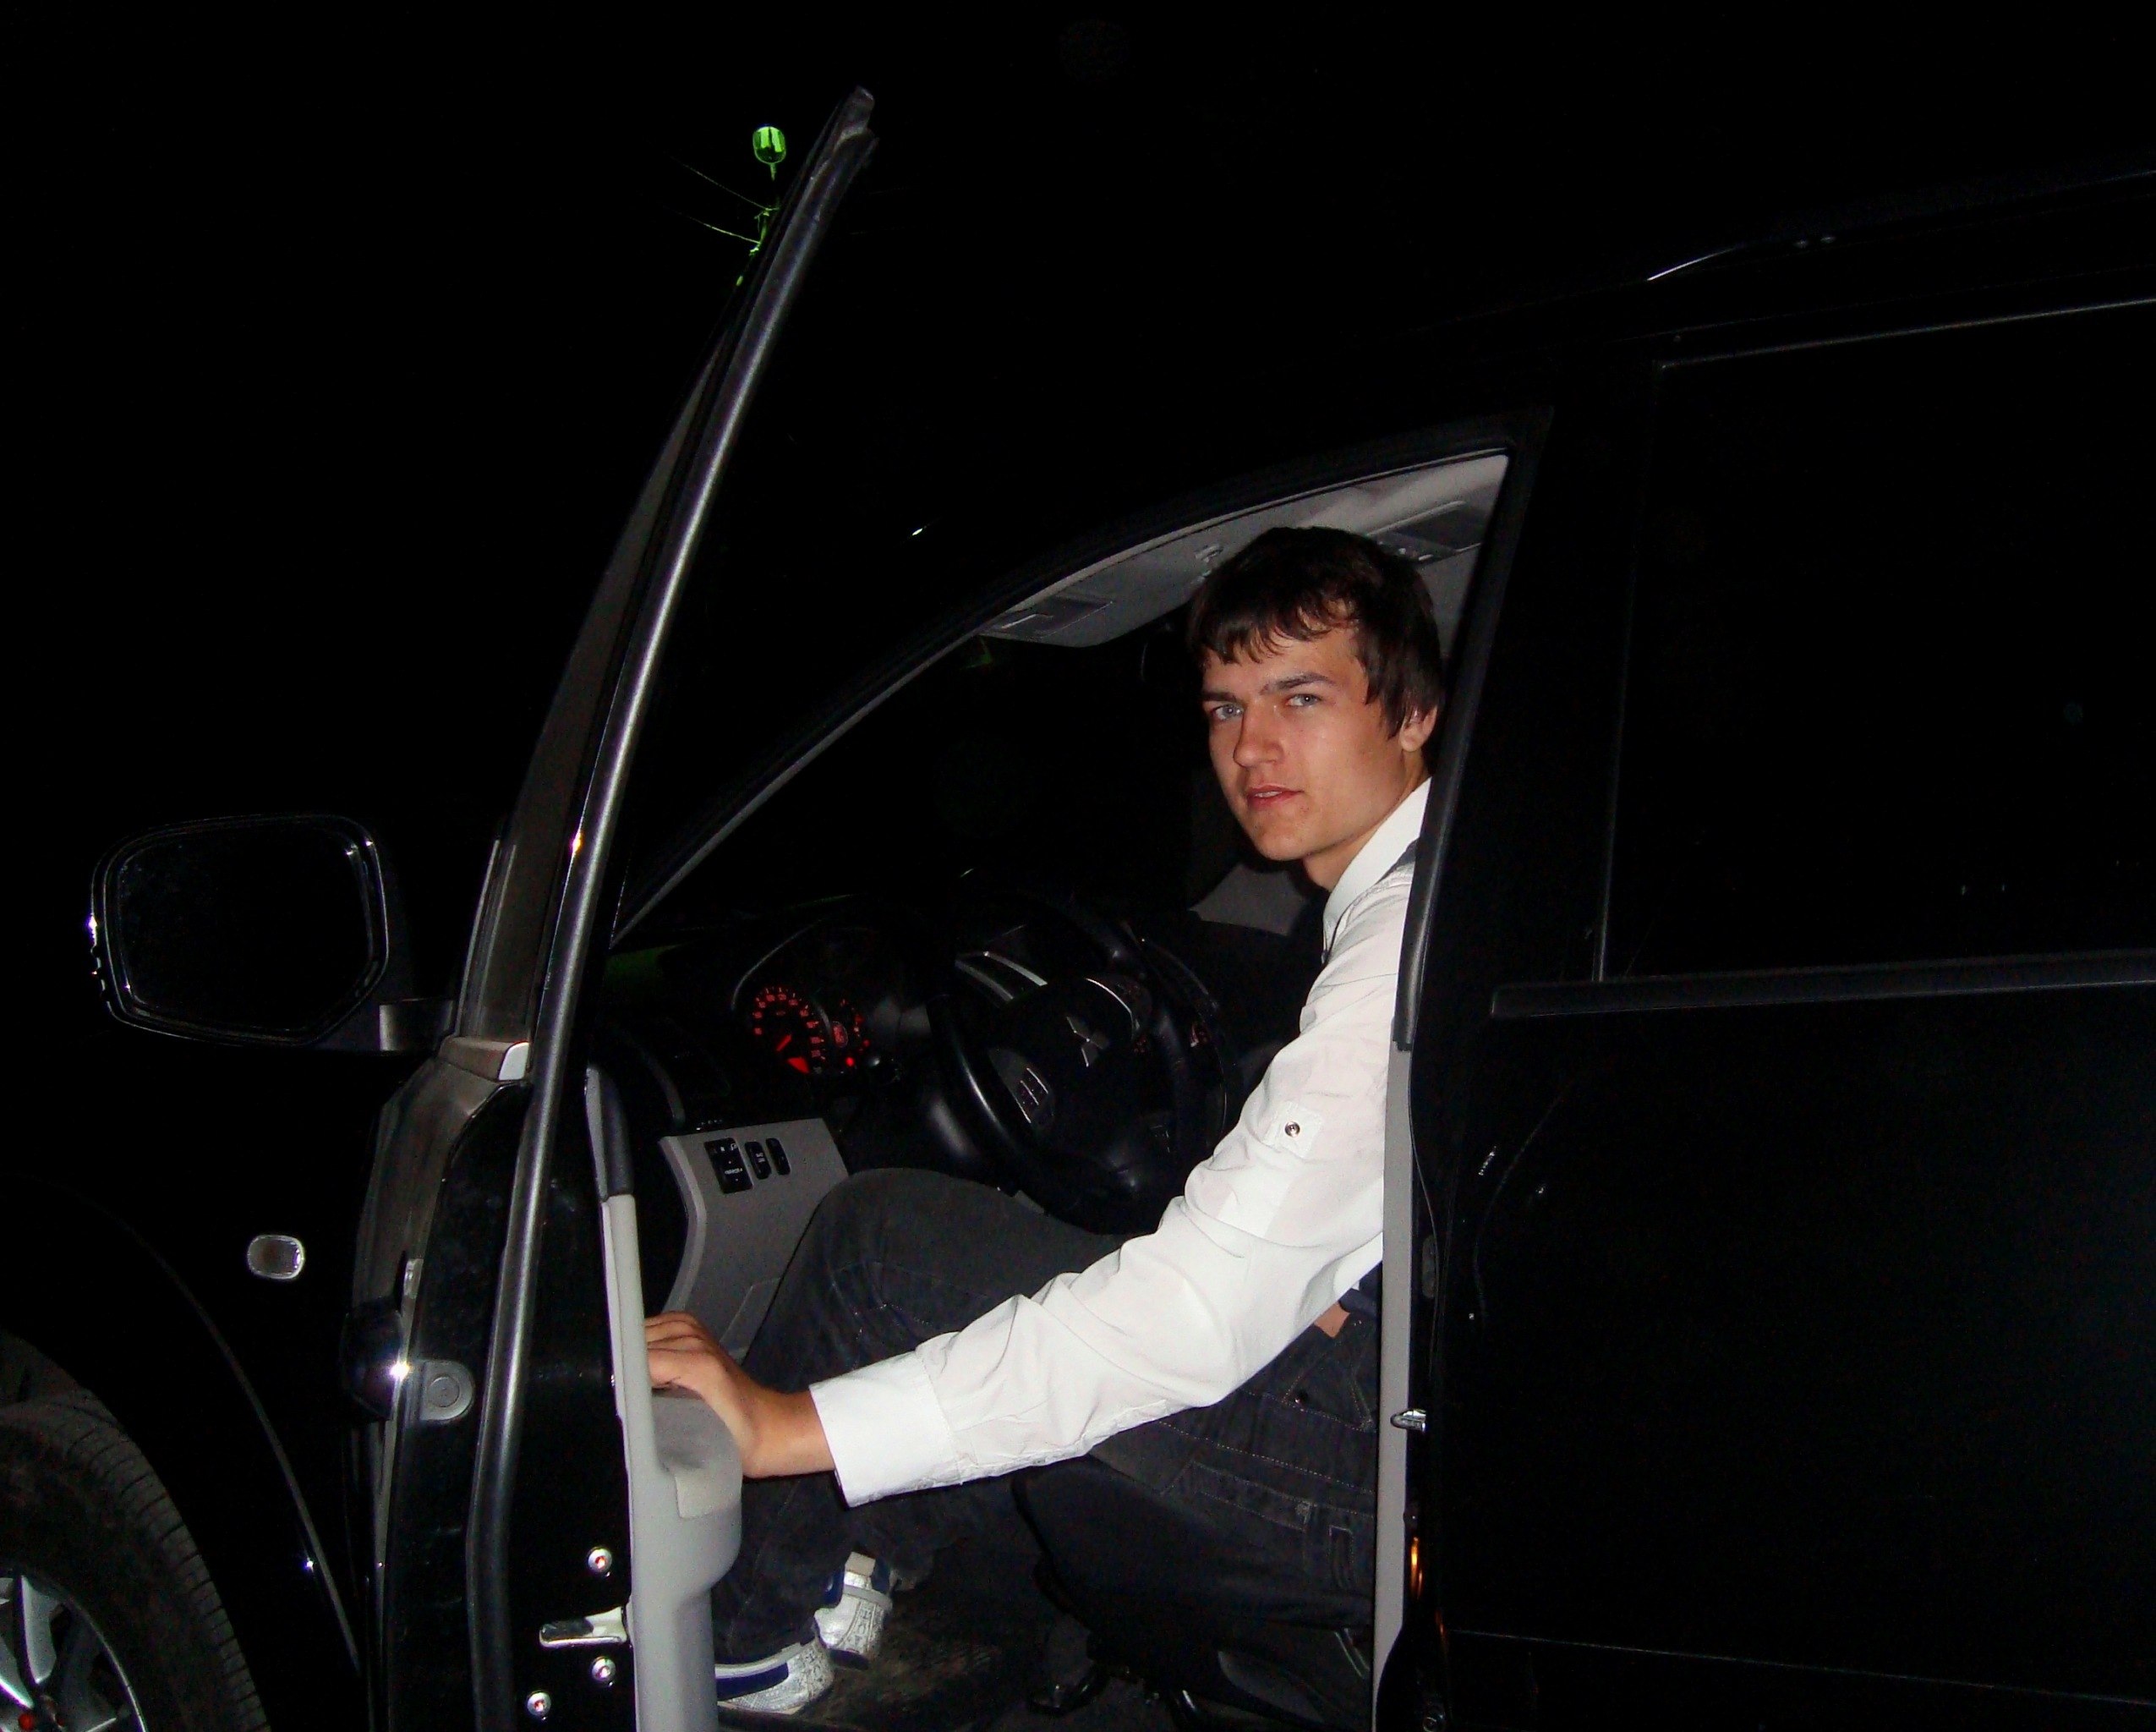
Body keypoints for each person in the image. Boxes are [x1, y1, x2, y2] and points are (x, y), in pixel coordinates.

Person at [646, 526, 1444, 1713]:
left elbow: (1188, 1320)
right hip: (1394, 1409)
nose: (1251, 747)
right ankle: (869, 1553)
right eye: (1225, 707)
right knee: (1054, 1276)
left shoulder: (1399, 953)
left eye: (1301, 697)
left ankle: (747, 1637)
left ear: (1413, 712)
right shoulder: (1432, 893)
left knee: (877, 1242)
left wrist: (779, 1427)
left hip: (1379, 1480)